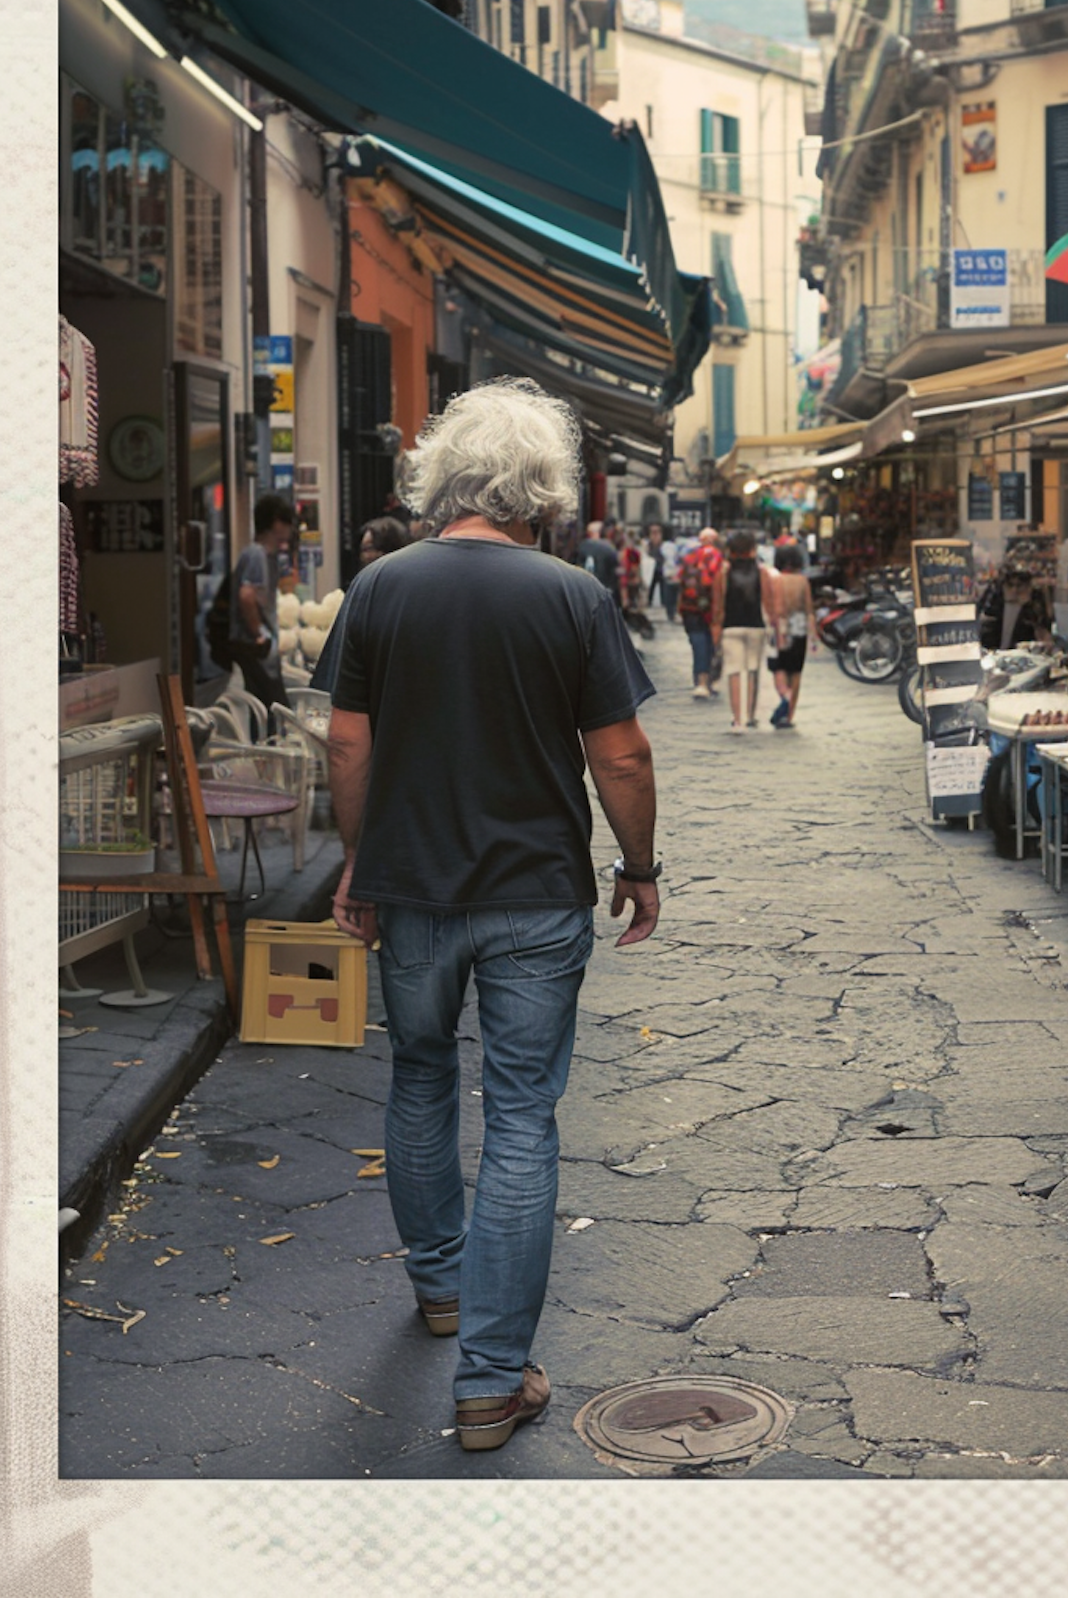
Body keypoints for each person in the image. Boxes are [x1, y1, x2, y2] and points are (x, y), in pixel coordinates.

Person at [327, 377, 661, 1454]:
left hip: (414, 888)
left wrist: (355, 863)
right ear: (542, 488)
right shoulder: (572, 597)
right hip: (533, 894)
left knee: (420, 1075)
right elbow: (621, 753)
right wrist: (641, 864)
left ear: (445, 476)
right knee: (521, 1117)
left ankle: (440, 1290)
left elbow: (345, 744)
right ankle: (489, 1384)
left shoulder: (381, 587)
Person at [226, 492, 295, 710]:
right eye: (288, 523)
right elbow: (247, 595)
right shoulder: (257, 554)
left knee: (268, 707)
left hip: (258, 647)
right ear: (276, 522)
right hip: (255, 647)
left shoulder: (265, 556)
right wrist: (259, 634)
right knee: (274, 708)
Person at [712, 527, 778, 733]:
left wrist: (715, 630)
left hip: (731, 626)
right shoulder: (762, 572)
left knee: (733, 672)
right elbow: (768, 602)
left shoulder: (722, 572)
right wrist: (774, 628)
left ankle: (737, 720)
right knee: (752, 670)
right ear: (752, 549)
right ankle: (750, 716)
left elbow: (717, 605)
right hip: (755, 626)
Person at [766, 541, 818, 729]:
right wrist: (813, 636)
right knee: (795, 671)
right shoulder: (802, 581)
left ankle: (784, 697)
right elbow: (809, 609)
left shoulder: (775, 580)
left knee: (778, 666)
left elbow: (771, 607)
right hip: (799, 627)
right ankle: (789, 716)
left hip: (779, 627)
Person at [675, 526, 725, 699]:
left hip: (691, 608)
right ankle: (709, 679)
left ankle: (701, 681)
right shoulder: (719, 558)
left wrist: (679, 607)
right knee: (713, 644)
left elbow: (680, 582)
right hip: (713, 609)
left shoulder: (689, 558)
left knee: (698, 644)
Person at [976, 564, 1052, 653]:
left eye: (1019, 586)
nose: (1014, 590)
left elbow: (1044, 637)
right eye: (1010, 585)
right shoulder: (994, 604)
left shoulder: (1035, 607)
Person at [576, 518, 620, 598]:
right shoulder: (609, 548)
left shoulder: (581, 546)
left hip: (584, 589)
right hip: (605, 590)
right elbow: (615, 569)